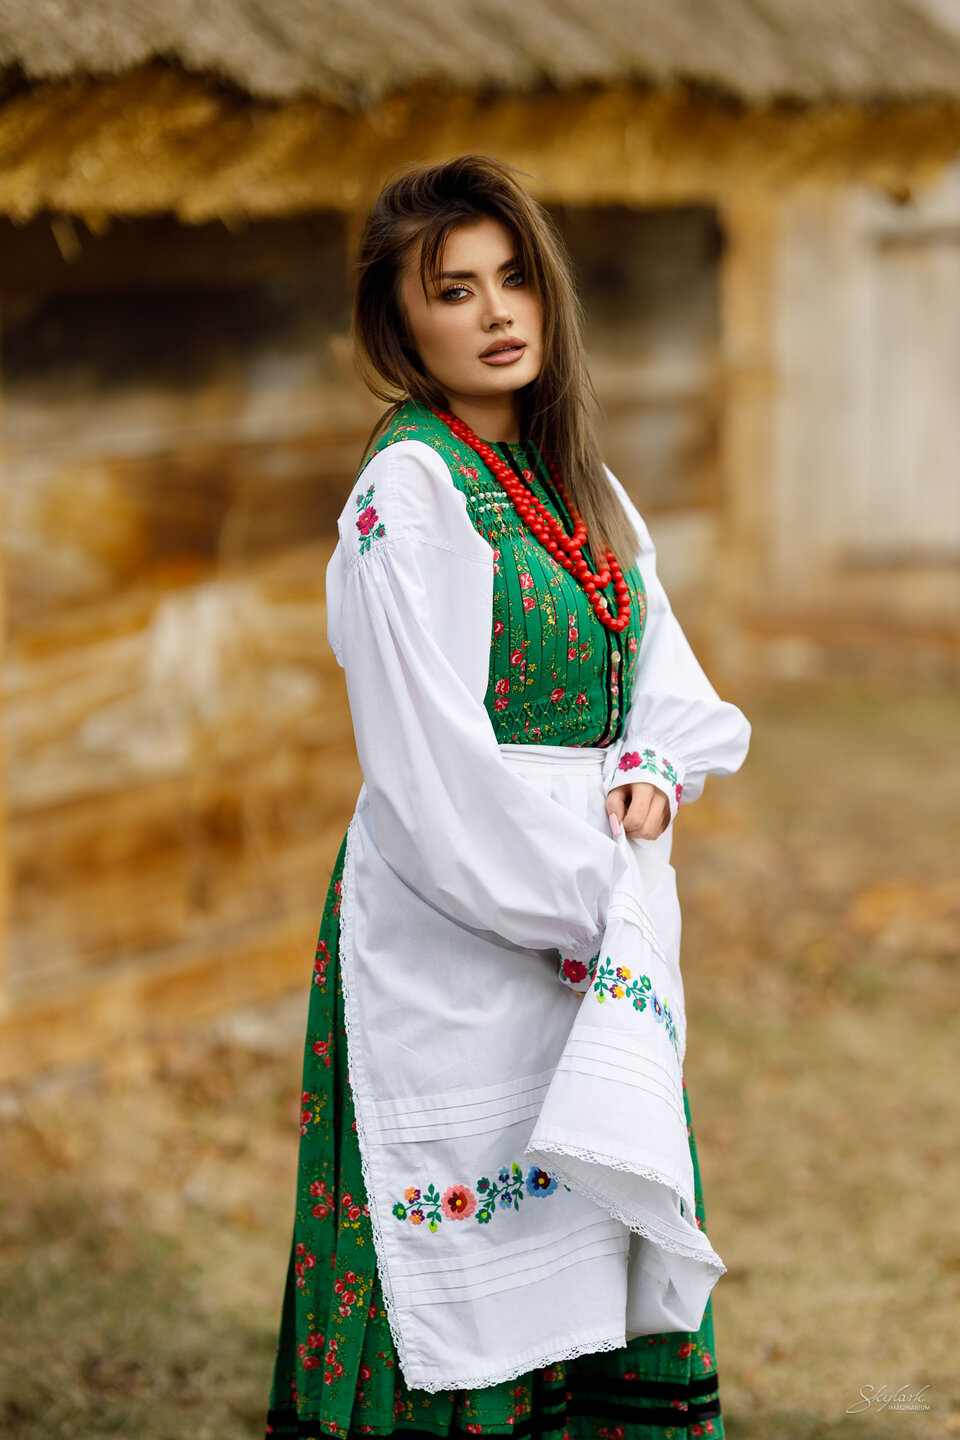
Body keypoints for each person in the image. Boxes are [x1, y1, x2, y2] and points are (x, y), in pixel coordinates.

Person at [264, 154, 750, 1440]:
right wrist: (588, 910)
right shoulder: (408, 491)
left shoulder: (570, 475)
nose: (496, 313)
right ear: (399, 325)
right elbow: (428, 774)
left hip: (598, 914)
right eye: (454, 290)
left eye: (514, 277)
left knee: (596, 1215)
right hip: (469, 921)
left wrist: (651, 767)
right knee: (467, 1252)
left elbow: (662, 664)